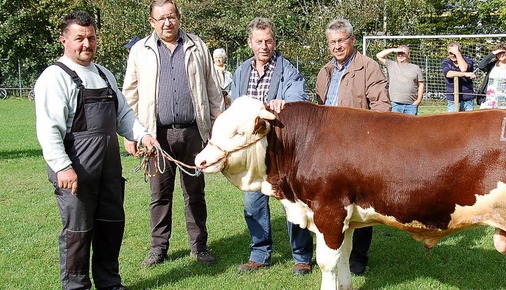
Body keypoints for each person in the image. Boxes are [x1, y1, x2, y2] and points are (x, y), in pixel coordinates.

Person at [34, 10, 159, 290]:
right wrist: (62, 166)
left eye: (91, 38)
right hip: (75, 170)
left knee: (111, 226)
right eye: (79, 38)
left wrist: (143, 136)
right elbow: (49, 129)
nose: (86, 44)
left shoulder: (104, 75)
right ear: (63, 40)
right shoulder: (55, 77)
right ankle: (76, 286)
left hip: (109, 170)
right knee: (78, 232)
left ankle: (109, 283)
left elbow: (123, 115)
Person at [122, 0, 224, 267]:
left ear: (179, 17)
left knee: (195, 193)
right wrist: (130, 134)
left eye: (172, 16)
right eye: (161, 18)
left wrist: (218, 124)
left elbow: (213, 89)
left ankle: (199, 246)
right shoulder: (139, 51)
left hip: (193, 133)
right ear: (151, 22)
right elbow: (129, 95)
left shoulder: (197, 46)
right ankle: (158, 248)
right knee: (159, 195)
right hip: (156, 136)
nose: (167, 22)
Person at [229, 17, 314, 276]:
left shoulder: (287, 69)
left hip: (281, 149)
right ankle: (259, 253)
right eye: (258, 41)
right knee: (253, 202)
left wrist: (283, 103)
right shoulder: (242, 71)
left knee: (292, 202)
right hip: (253, 151)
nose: (264, 46)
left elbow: (299, 97)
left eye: (268, 41)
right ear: (249, 43)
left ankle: (301, 257)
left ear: (274, 41)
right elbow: (235, 105)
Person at [316, 18, 391, 275]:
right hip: (327, 149)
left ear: (352, 40)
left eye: (341, 41)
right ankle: (335, 248)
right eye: (332, 42)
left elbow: (382, 107)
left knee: (360, 202)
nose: (337, 46)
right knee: (333, 202)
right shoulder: (325, 71)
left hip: (358, 148)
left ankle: (359, 256)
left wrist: (367, 139)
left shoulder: (369, 68)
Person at [376, 45, 424, 115]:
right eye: (398, 53)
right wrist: (393, 49)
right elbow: (379, 55)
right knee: (394, 126)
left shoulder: (415, 68)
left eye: (403, 53)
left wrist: (418, 101)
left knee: (410, 126)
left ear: (408, 54)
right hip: (395, 105)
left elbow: (421, 85)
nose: (400, 55)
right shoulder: (391, 65)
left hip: (411, 106)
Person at [477, 43, 506, 109]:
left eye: (503, 52)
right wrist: (493, 53)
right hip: (490, 98)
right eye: (499, 53)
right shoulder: (492, 65)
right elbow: (481, 66)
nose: (502, 54)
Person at [442, 42, 476, 112]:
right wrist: (465, 74)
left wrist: (457, 53)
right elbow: (448, 73)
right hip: (452, 100)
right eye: (451, 53)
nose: (453, 55)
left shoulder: (468, 60)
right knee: (452, 122)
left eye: (454, 53)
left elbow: (463, 68)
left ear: (460, 52)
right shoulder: (446, 62)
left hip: (467, 100)